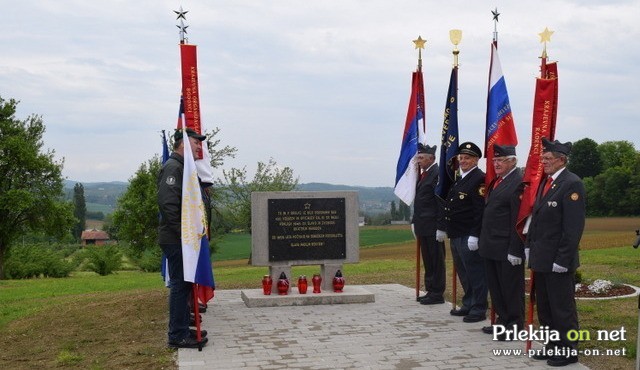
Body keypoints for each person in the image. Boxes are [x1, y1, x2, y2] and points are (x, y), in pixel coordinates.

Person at [526, 137, 585, 367]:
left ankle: (568, 350)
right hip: (542, 259)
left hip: (558, 261)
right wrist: (530, 245)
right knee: (546, 307)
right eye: (543, 158)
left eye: (548, 159)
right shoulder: (547, 182)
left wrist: (563, 258)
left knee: (563, 309)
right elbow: (537, 219)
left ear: (562, 160)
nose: (544, 162)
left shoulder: (572, 184)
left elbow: (573, 228)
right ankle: (553, 346)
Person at [158, 128, 209, 349]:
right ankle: (177, 335)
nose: (200, 147)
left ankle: (181, 327)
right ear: (184, 144)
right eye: (196, 143)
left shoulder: (184, 167)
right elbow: (169, 206)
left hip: (183, 239)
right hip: (176, 239)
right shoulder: (173, 167)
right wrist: (185, 236)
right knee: (180, 285)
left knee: (186, 284)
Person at [478, 144, 524, 338]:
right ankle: (502, 322)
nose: (496, 164)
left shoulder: (518, 182)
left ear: (513, 161)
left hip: (506, 247)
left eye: (501, 160)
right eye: (494, 160)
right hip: (491, 245)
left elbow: (517, 219)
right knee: (496, 288)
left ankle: (514, 326)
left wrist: (515, 249)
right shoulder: (498, 181)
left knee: (510, 288)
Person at [438, 142, 487, 323]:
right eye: (461, 158)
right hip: (456, 233)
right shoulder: (461, 178)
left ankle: (479, 308)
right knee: (464, 273)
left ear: (476, 160)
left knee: (476, 273)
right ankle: (468, 303)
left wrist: (475, 234)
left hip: (469, 234)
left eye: (467, 158)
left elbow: (479, 210)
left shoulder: (479, 179)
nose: (463, 161)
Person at [412, 144, 446, 305]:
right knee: (428, 260)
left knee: (436, 260)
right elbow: (420, 201)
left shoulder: (436, 174)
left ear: (431, 158)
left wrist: (441, 227)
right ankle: (431, 289)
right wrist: (414, 221)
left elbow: (439, 203)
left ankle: (437, 292)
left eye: (421, 158)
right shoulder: (424, 175)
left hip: (433, 226)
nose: (418, 161)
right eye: (418, 157)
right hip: (423, 226)